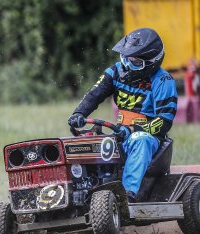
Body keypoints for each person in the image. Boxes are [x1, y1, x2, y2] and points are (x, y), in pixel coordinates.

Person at [67, 28, 177, 202]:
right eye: (126, 58)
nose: (127, 64)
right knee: (83, 142)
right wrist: (79, 113)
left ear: (151, 62)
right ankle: (77, 193)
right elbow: (94, 95)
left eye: (134, 61)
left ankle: (127, 195)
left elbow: (164, 121)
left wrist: (132, 129)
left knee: (139, 139)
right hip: (120, 133)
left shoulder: (163, 81)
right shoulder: (115, 71)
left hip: (150, 138)